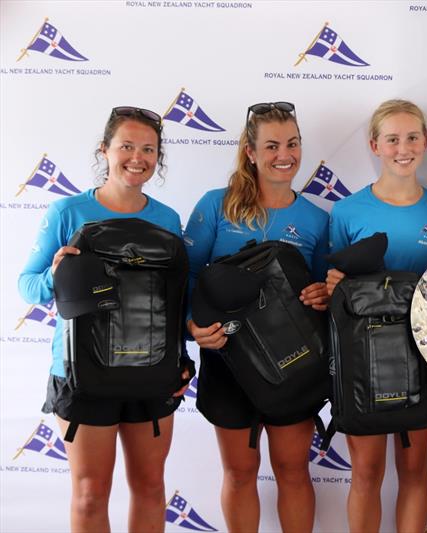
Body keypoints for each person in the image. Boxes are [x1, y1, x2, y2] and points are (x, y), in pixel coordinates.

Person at [18, 106, 192, 533]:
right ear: (105, 150)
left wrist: (182, 360)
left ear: (158, 156)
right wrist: (57, 274)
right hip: (83, 375)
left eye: (148, 149)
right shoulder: (67, 212)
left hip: (152, 372)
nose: (138, 157)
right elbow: (28, 285)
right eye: (127, 146)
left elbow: (174, 300)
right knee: (91, 492)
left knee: (151, 486)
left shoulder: (167, 219)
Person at [184, 102, 329, 533]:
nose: (284, 154)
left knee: (292, 471)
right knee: (240, 473)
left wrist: (322, 295)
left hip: (294, 366)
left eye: (292, 144)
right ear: (250, 151)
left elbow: (322, 288)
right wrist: (192, 326)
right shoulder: (216, 205)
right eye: (271, 145)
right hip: (227, 361)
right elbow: (187, 276)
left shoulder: (316, 218)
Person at [325, 99, 427, 533]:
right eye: (392, 139)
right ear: (375, 145)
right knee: (367, 473)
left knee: (414, 471)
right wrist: (334, 284)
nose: (403, 147)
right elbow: (332, 289)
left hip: (422, 354)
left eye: (412, 137)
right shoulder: (348, 211)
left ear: (426, 142)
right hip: (362, 358)